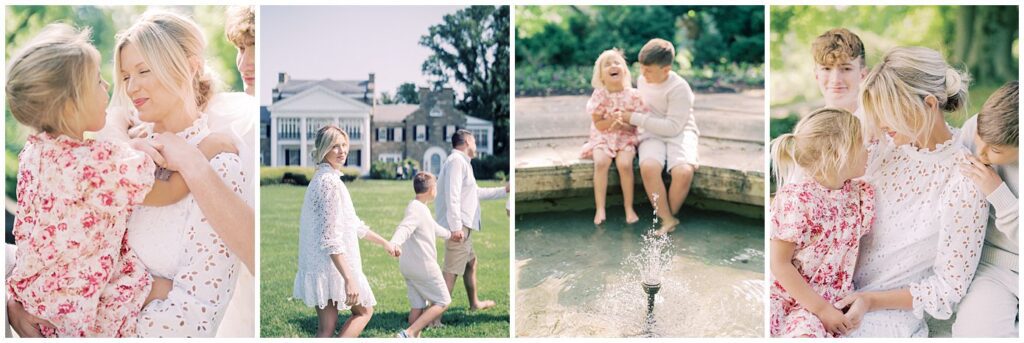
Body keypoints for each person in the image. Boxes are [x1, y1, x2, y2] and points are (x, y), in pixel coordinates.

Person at [3, 23, 182, 338]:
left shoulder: (35, 151)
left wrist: (130, 147)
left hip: (37, 296)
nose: (109, 88)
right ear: (72, 106)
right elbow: (168, 190)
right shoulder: (94, 165)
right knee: (170, 289)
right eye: (98, 82)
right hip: (81, 309)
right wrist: (204, 151)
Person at [835, 46, 989, 337]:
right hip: (830, 290)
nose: (880, 123)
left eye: (888, 113)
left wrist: (869, 301)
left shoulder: (963, 180)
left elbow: (948, 287)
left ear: (929, 104)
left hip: (883, 313)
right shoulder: (879, 148)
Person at [768, 108, 874, 337]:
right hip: (791, 294)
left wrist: (827, 309)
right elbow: (779, 264)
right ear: (838, 153)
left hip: (832, 300)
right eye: (862, 144)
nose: (869, 150)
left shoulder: (859, 195)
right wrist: (821, 309)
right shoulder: (797, 200)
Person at [293, 126, 400, 338]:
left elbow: (353, 224)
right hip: (330, 267)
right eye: (335, 146)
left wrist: (385, 243)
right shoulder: (329, 183)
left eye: (344, 145)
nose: (342, 151)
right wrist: (349, 278)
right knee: (364, 312)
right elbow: (330, 238)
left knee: (326, 328)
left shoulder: (323, 178)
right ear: (324, 149)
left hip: (322, 266)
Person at [952, 81, 1019, 337]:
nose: (980, 155)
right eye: (981, 140)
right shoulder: (976, 127)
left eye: (996, 150)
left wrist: (998, 194)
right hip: (993, 267)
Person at [618, 38, 699, 235]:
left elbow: (673, 127)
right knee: (649, 166)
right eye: (641, 69)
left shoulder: (679, 88)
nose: (643, 74)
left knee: (683, 172)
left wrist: (636, 118)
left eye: (649, 70)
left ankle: (667, 215)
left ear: (666, 69)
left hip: (679, 132)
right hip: (651, 132)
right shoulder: (642, 80)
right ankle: (667, 219)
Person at [436, 130, 508, 322]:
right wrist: (456, 227)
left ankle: (474, 302)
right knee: (451, 272)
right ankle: (435, 319)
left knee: (470, 263)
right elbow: (452, 196)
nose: (476, 145)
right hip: (459, 228)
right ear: (467, 141)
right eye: (474, 141)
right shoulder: (456, 162)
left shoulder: (462, 163)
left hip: (463, 226)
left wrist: (504, 190)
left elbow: (474, 193)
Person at [580, 49, 643, 225]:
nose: (613, 66)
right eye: (607, 64)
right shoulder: (599, 95)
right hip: (603, 136)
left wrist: (623, 124)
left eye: (617, 63)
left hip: (625, 136)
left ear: (624, 70)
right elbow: (598, 123)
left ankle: (628, 207)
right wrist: (610, 122)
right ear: (601, 75)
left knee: (624, 164)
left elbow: (636, 124)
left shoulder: (633, 95)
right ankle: (600, 208)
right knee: (601, 162)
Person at [390, 172, 453, 338]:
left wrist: (450, 234)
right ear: (432, 189)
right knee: (443, 301)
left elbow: (433, 227)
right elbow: (404, 227)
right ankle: (408, 333)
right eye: (436, 186)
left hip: (409, 267)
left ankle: (412, 337)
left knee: (417, 306)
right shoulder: (417, 211)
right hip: (423, 267)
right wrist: (395, 242)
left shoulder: (417, 206)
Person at [812, 28, 868, 116]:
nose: (836, 79)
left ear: (863, 74)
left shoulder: (882, 126)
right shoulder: (809, 128)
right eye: (827, 69)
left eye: (846, 69)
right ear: (816, 75)